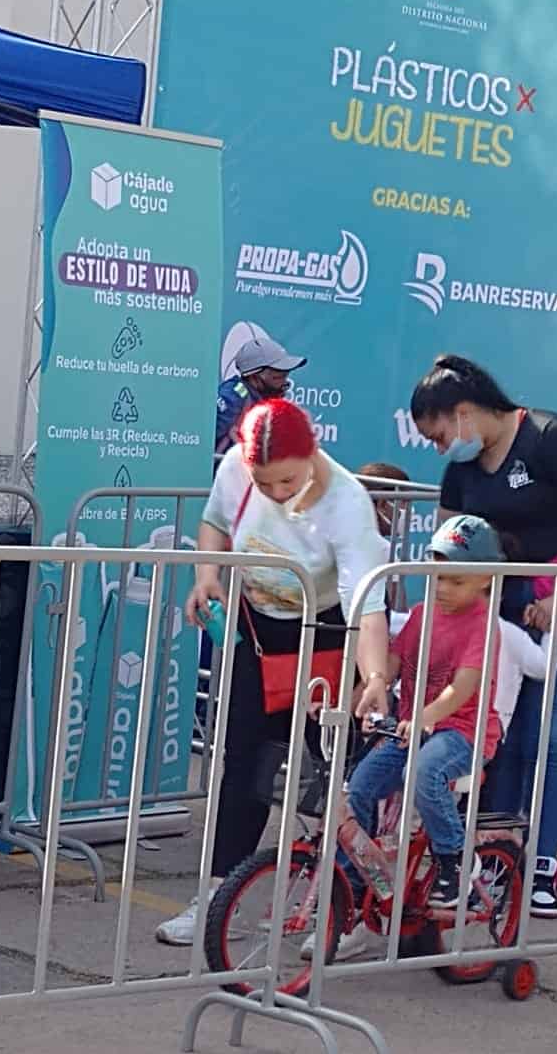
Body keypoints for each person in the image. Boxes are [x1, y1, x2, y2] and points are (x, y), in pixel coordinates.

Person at [157, 397, 391, 945]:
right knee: (243, 768)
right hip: (258, 638)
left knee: (343, 783)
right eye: (264, 483)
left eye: (287, 480)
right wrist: (208, 576)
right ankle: (219, 898)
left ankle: (357, 908)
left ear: (312, 454)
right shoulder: (235, 469)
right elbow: (214, 523)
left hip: (329, 638)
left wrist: (376, 677)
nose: (277, 493)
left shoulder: (347, 504)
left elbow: (367, 604)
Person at [410, 353, 557, 918]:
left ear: (465, 411)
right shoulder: (461, 469)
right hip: (503, 603)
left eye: (439, 435)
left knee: (552, 736)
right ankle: (496, 856)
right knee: (496, 734)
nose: (440, 448)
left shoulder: (554, 439)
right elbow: (447, 548)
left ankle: (543, 861)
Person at [346, 514, 502, 909]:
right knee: (359, 785)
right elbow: (394, 661)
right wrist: (364, 693)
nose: (443, 588)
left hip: (462, 731)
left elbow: (463, 687)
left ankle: (455, 860)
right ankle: (357, 877)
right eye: (438, 577)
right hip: (413, 729)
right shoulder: (421, 613)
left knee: (423, 772)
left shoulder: (483, 625)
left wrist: (425, 716)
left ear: (486, 579)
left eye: (456, 580)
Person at [214, 335, 307, 463]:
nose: (284, 382)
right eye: (277, 377)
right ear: (254, 376)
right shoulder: (234, 396)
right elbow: (202, 440)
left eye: (285, 376)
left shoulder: (267, 404)